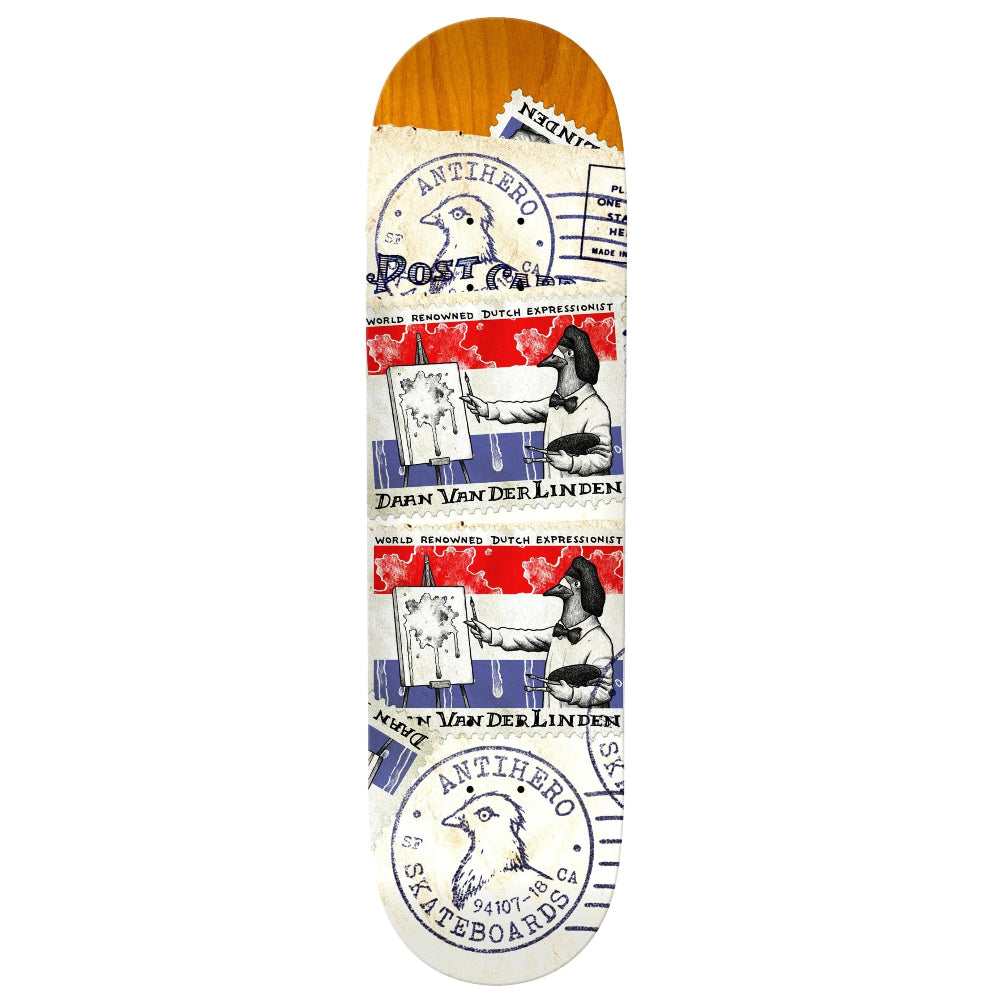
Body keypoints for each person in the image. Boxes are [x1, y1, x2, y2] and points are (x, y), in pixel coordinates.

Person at [460, 325, 612, 478]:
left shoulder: (596, 408)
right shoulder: (556, 404)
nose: (556, 354)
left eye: (565, 351)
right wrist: (488, 409)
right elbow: (525, 410)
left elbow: (604, 458)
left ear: (573, 355)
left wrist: (572, 463)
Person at [466, 556, 614, 707]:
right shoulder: (560, 634)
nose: (565, 584)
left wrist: (572, 694)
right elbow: (529, 638)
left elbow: (604, 691)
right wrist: (492, 635)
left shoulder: (599, 641)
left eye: (575, 583)